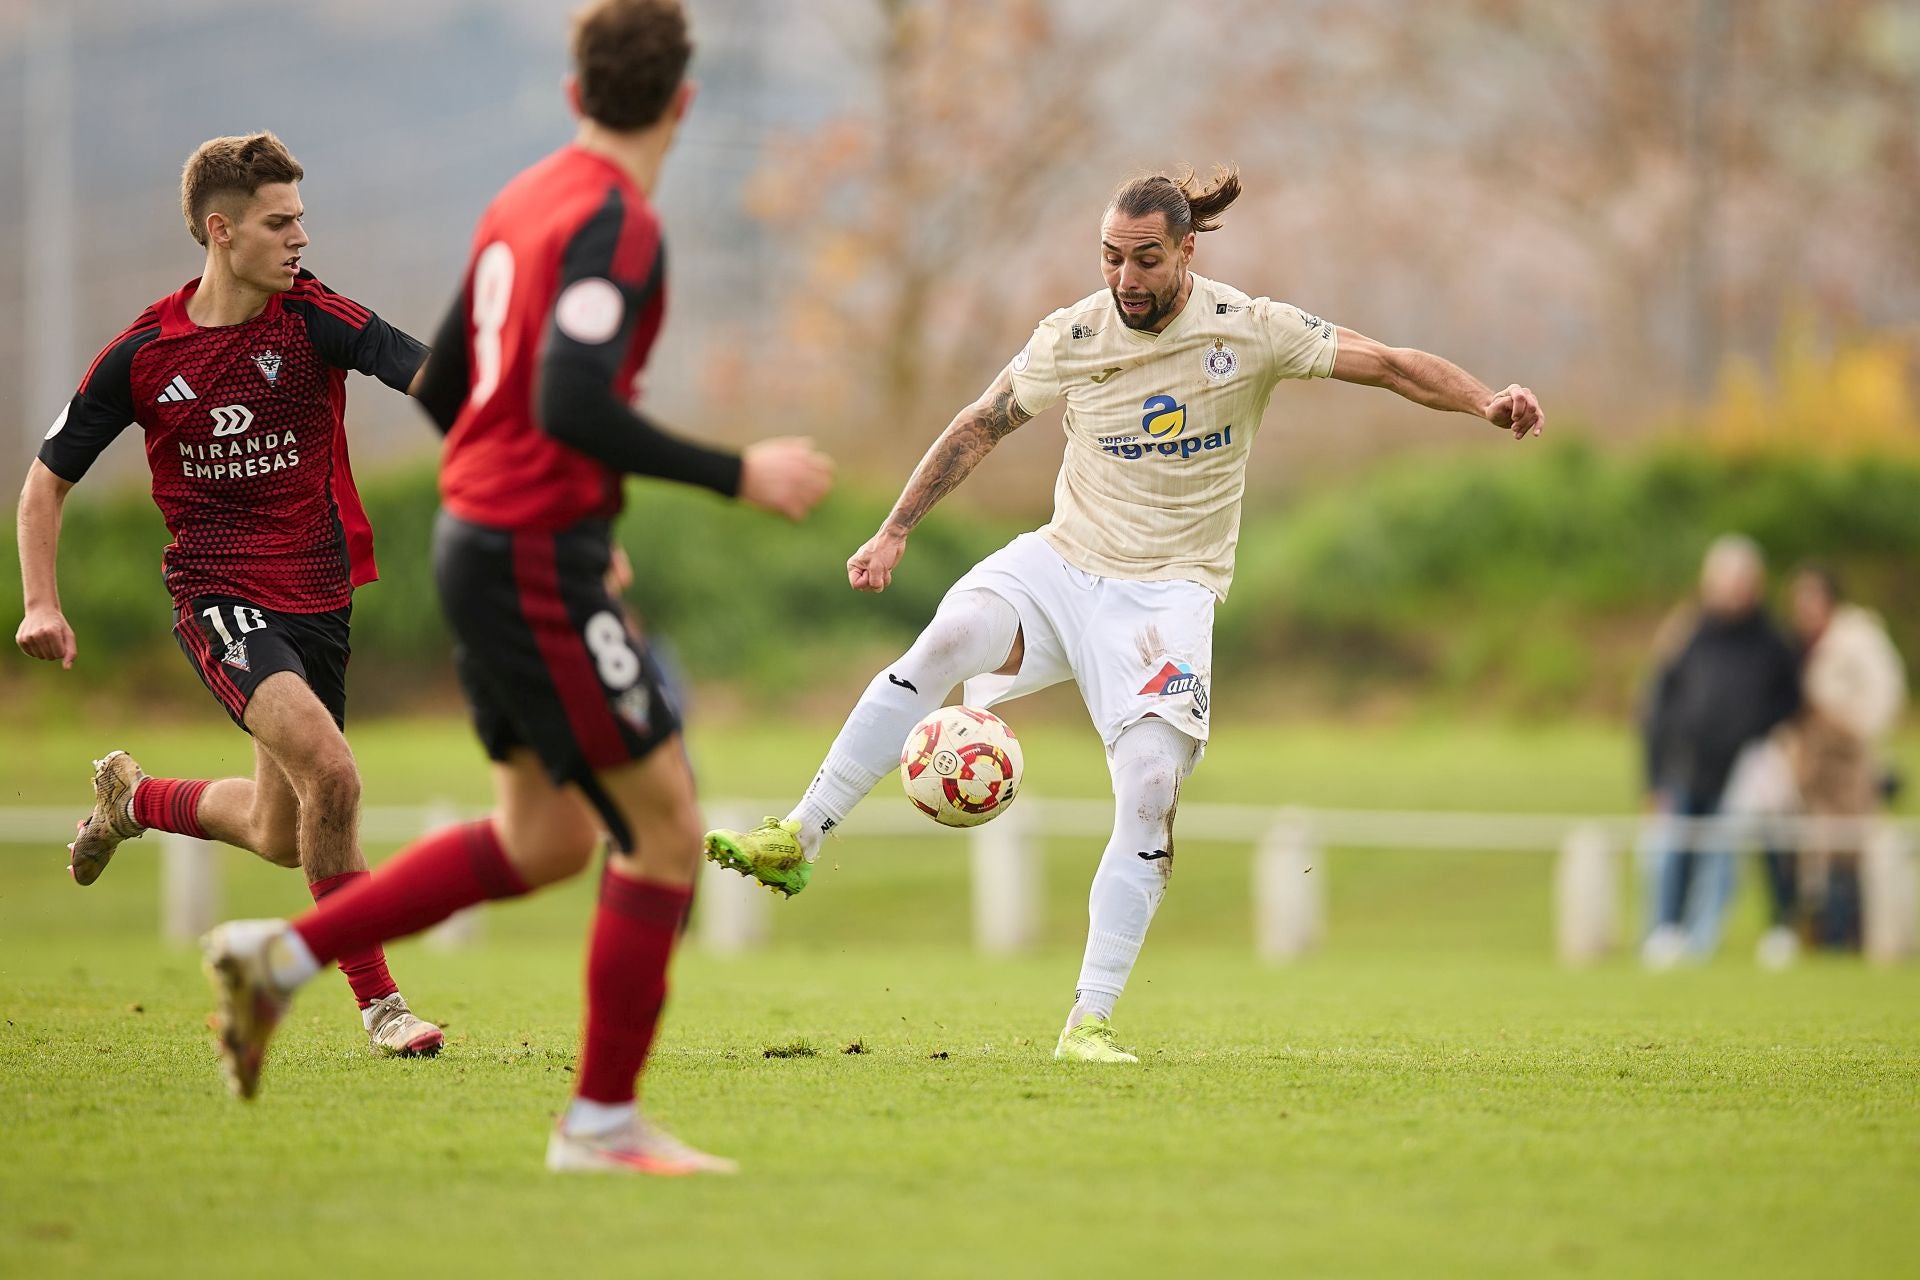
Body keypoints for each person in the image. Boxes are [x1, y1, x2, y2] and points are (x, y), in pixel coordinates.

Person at [705, 166, 1543, 1062]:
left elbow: (1388, 365)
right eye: (1110, 257)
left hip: (1168, 596)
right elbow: (979, 423)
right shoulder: (1074, 334)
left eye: (1145, 260)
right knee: (948, 637)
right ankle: (798, 836)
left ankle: (1088, 1021)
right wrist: (894, 531)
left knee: (1149, 794)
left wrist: (1483, 400)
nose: (1125, 279)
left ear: (1186, 249)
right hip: (1063, 564)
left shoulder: (1249, 329)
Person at [199, 0, 832, 1174]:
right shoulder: (617, 223)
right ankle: (598, 1123)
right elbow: (572, 402)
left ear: (572, 95)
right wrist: (737, 471)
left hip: (484, 537)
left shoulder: (519, 201)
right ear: (684, 105)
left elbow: (450, 392)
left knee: (541, 839)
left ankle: (281, 959)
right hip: (531, 549)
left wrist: (556, 503)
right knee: (666, 828)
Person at [14, 131, 443, 1056]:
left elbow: (429, 374)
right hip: (219, 598)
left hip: (321, 599)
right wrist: (41, 602)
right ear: (221, 231)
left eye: (301, 219)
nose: (299, 238)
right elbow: (45, 481)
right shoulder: (142, 354)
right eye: (279, 222)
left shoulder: (316, 315)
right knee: (334, 773)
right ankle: (383, 1006)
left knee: (279, 832)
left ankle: (134, 803)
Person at [1638, 535, 1801, 968]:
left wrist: (1760, 734)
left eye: (1741, 581)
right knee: (1674, 849)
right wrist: (1652, 777)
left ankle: (1765, 930)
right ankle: (1666, 931)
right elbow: (1656, 708)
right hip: (1688, 765)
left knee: (1745, 852)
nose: (1733, 590)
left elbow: (1789, 699)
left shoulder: (1770, 641)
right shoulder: (1687, 632)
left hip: (1745, 767)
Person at [1777, 562, 1907, 955]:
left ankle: (1854, 936)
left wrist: (1849, 723)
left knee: (1853, 848)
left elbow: (1886, 693)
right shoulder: (1800, 644)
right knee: (1816, 854)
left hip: (1850, 760)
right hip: (1813, 762)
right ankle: (1825, 935)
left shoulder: (1858, 637)